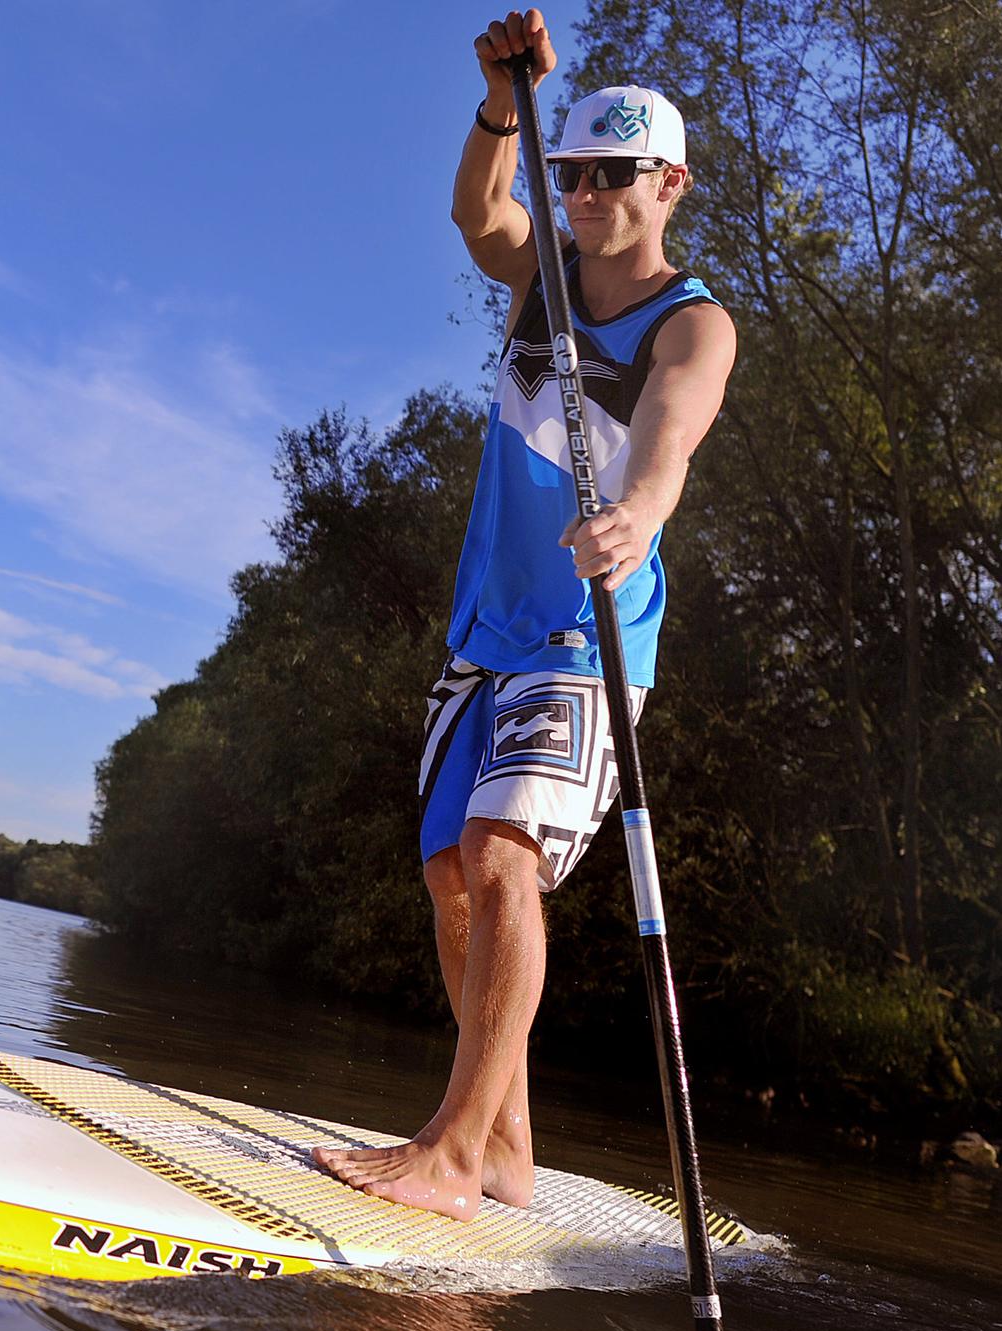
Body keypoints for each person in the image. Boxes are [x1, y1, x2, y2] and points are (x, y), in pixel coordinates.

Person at [311, 9, 737, 1220]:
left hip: (586, 642)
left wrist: (640, 513)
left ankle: (447, 1155)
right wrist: (503, 104)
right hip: (483, 632)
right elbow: (475, 216)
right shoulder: (539, 276)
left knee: (504, 860)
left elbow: (677, 426)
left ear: (671, 185)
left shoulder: (691, 319)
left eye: (615, 175)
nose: (590, 192)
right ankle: (502, 1147)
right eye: (575, 173)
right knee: (451, 874)